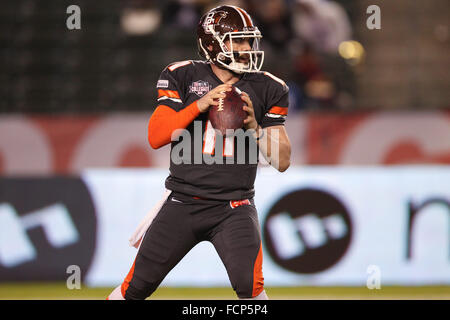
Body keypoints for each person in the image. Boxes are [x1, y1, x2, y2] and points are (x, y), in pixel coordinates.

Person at [107, 4, 291, 300]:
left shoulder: (269, 87)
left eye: (249, 40)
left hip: (235, 207)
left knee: (250, 288)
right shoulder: (182, 75)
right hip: (182, 201)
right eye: (238, 40)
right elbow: (156, 137)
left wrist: (255, 127)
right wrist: (200, 105)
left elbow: (282, 161)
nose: (247, 47)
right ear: (211, 44)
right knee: (136, 288)